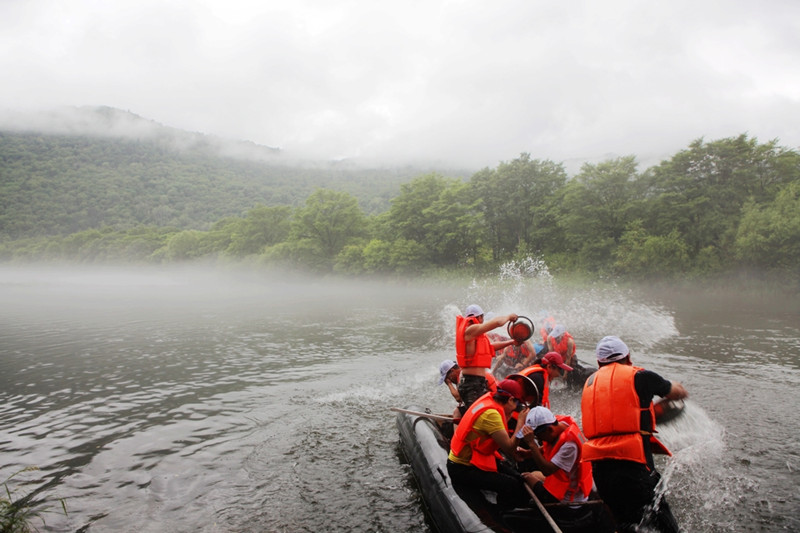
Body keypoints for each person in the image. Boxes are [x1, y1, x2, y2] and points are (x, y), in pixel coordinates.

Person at [580, 336, 689, 533]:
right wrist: (678, 390)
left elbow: (617, 416)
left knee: (626, 523)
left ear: (599, 362)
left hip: (601, 473)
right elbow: (677, 392)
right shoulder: (640, 376)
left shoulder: (590, 384)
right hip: (633, 469)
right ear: (628, 357)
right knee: (663, 522)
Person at [447, 379, 537, 513]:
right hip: (462, 468)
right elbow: (509, 448)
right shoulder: (491, 415)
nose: (517, 407)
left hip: (474, 456)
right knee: (511, 484)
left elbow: (499, 441)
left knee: (518, 476)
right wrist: (520, 423)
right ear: (511, 399)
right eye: (517, 403)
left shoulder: (489, 400)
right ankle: (504, 514)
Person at [515, 406, 594, 504]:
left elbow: (547, 471)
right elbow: (551, 447)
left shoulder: (570, 446)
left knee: (526, 477)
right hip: (563, 482)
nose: (539, 440)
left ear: (549, 430)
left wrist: (532, 444)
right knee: (535, 474)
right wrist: (528, 453)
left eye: (538, 436)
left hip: (569, 499)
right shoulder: (560, 425)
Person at [455, 304, 520, 408]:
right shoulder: (470, 330)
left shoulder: (475, 333)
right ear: (480, 317)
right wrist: (509, 317)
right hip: (471, 383)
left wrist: (511, 342)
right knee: (480, 417)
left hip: (478, 382)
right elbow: (498, 322)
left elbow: (490, 348)